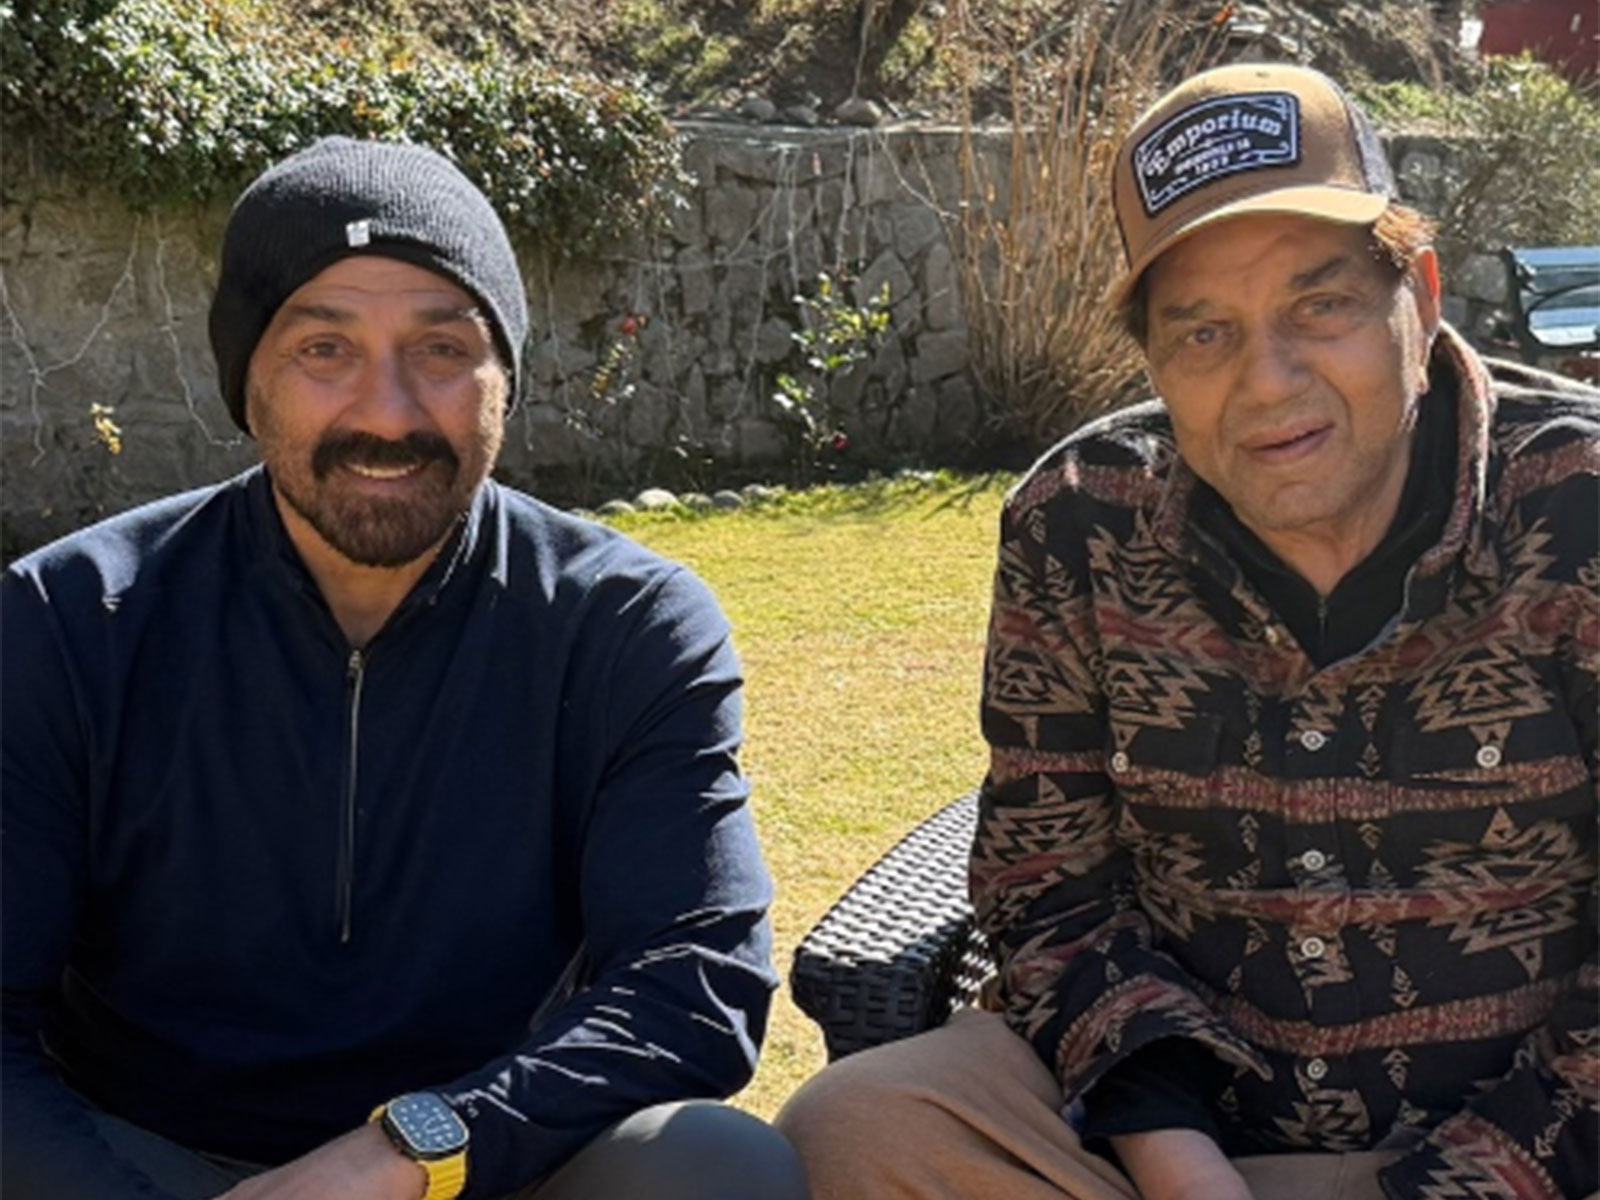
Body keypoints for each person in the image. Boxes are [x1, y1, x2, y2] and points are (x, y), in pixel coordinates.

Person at [777, 62, 1598, 1200]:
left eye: (1320, 306)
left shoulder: (1580, 496)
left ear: (1420, 290)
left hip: (1529, 1151)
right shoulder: (1080, 519)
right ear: (1152, 357)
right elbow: (1046, 883)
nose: (1267, 382)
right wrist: (1178, 1164)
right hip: (1178, 1150)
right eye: (1203, 334)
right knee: (858, 1126)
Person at [1, 137, 808, 1200]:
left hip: (481, 1162)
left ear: (503, 378)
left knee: (717, 1166)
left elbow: (692, 985)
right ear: (245, 381)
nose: (387, 413)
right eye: (323, 350)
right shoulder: (67, 620)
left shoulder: (623, 624)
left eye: (440, 349)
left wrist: (407, 1151)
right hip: (145, 1157)